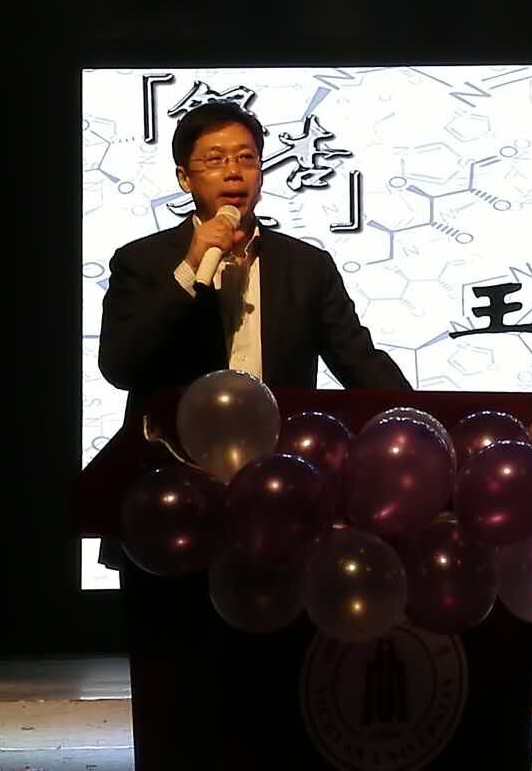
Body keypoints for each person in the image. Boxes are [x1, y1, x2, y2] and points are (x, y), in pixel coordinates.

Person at [97, 100, 410, 571]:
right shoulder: (141, 262)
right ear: (185, 178)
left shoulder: (306, 267)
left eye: (246, 158)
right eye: (215, 159)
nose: (233, 172)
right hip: (173, 496)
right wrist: (190, 269)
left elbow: (360, 362)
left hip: (279, 495)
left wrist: (422, 420)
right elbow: (122, 366)